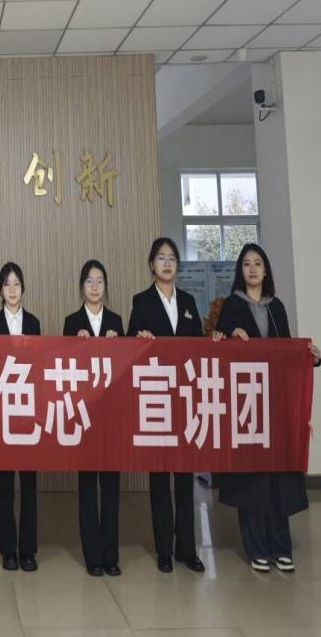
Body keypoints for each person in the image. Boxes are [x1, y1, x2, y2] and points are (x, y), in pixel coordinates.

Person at [214, 242, 321, 573]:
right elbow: (218, 346)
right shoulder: (232, 305)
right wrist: (228, 335)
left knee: (278, 476)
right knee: (252, 479)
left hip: (275, 404)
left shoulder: (277, 307)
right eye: (246, 263)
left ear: (265, 270)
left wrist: (311, 358)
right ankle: (257, 547)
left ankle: (280, 546)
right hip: (246, 405)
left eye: (258, 263)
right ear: (240, 271)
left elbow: (287, 353)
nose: (252, 269)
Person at [127, 237, 205, 574]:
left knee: (185, 478)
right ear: (151, 265)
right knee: (159, 478)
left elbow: (199, 345)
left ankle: (187, 548)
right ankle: (164, 549)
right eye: (161, 258)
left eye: (172, 258)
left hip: (184, 398)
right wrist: (138, 339)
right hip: (156, 398)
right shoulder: (141, 301)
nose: (167, 263)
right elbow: (128, 344)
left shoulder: (188, 301)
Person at [63, 259, 124, 577]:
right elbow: (62, 369)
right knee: (87, 488)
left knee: (111, 488)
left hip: (111, 418)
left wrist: (118, 345)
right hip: (84, 416)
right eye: (89, 281)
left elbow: (128, 369)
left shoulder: (117, 322)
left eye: (100, 281)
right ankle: (93, 556)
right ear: (81, 287)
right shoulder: (71, 322)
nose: (95, 286)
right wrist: (76, 344)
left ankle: (111, 556)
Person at [0, 261, 41, 572]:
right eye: (7, 284)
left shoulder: (33, 323)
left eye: (16, 283)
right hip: (2, 415)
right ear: (0, 289)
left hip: (28, 414)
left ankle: (28, 550)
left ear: (23, 288)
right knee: (5, 486)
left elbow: (40, 367)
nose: (12, 289)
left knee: (29, 486)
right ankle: (8, 550)